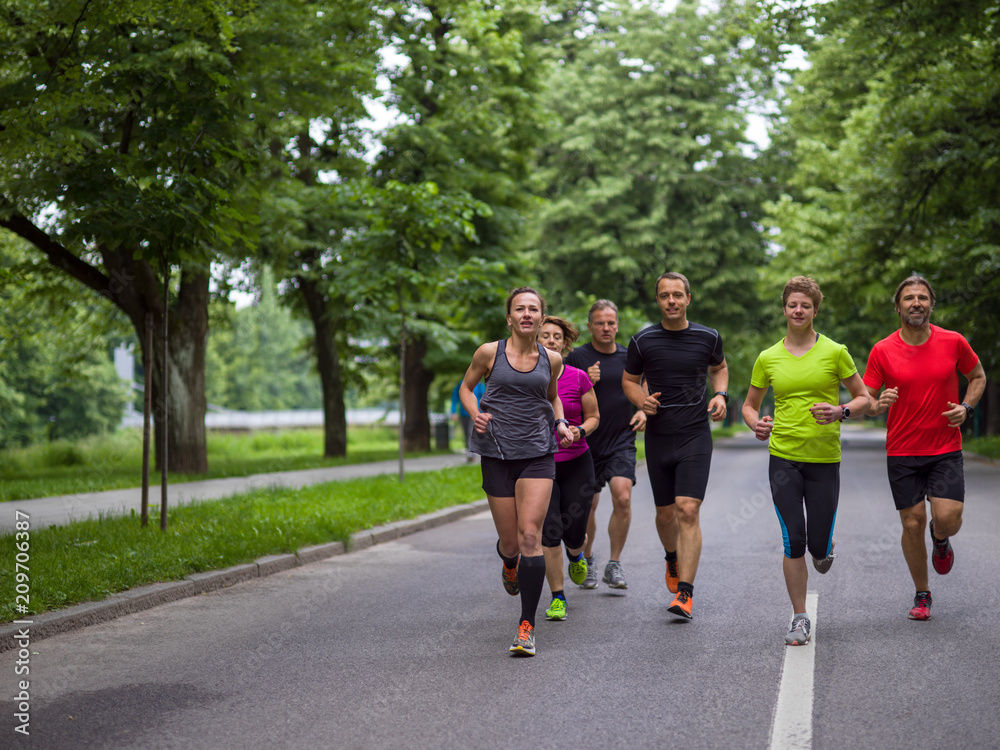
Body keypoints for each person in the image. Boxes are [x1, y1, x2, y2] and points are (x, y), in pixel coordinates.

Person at [741, 276, 871, 646]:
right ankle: (800, 617)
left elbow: (863, 398)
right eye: (793, 304)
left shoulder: (835, 352)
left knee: (817, 547)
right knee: (792, 540)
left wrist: (841, 410)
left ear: (815, 310)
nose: (798, 311)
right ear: (784, 308)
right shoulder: (768, 357)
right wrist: (756, 424)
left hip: (824, 459)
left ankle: (824, 547)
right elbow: (750, 405)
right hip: (783, 456)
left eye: (806, 305)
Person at [862, 275, 986, 621]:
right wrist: (877, 404)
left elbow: (978, 376)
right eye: (908, 298)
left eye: (922, 297)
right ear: (898, 306)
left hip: (945, 448)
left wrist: (967, 407)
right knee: (912, 523)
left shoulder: (954, 342)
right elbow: (866, 399)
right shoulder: (882, 350)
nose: (915, 303)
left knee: (947, 519)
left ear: (931, 303)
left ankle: (941, 538)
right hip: (902, 451)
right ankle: (922, 593)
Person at [459, 287, 574, 657]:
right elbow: (465, 387)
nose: (526, 314)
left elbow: (552, 395)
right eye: (519, 309)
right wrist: (475, 412)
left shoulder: (551, 359)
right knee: (510, 545)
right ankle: (509, 563)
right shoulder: (489, 353)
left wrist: (559, 421)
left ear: (542, 318)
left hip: (538, 452)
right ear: (509, 317)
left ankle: (526, 627)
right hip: (496, 453)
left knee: (530, 536)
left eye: (533, 309)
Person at [622, 272, 727, 621]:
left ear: (688, 298)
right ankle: (671, 556)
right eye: (665, 295)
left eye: (677, 295)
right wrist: (642, 401)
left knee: (687, 510)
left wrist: (720, 394)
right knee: (665, 514)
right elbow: (629, 380)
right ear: (658, 301)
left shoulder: (708, 336)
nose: (671, 301)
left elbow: (720, 367)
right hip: (659, 437)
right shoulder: (642, 340)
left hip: (695, 435)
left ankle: (685, 593)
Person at [565, 300, 646, 591]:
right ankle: (587, 559)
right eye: (600, 323)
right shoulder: (576, 357)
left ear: (618, 325)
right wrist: (587, 379)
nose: (606, 328)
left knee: (622, 497)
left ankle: (614, 564)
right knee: (588, 506)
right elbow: (562, 396)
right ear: (590, 326)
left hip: (621, 439)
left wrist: (642, 410)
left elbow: (642, 387)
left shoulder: (630, 356)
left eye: (611, 323)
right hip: (586, 443)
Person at [537, 316, 600, 621]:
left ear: (565, 343)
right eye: (544, 336)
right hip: (540, 464)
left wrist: (580, 431)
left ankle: (576, 553)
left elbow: (594, 416)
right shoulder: (527, 378)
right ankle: (558, 596)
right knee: (550, 532)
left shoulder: (578, 377)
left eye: (556, 337)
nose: (550, 341)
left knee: (575, 532)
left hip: (577, 461)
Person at [451, 379, 485, 459]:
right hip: (463, 413)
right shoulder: (460, 384)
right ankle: (470, 450)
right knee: (466, 433)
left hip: (476, 413)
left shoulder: (479, 385)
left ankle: (471, 452)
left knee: (471, 432)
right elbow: (454, 399)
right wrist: (453, 412)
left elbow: (484, 398)